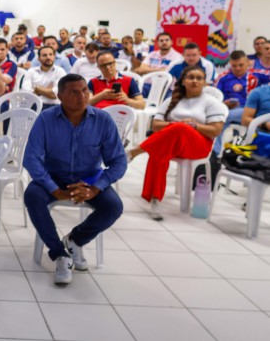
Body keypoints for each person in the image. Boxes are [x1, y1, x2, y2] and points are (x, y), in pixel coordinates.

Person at [23, 74, 125, 285]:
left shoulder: (102, 120)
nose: (82, 96)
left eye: (85, 90)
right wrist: (54, 189)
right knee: (32, 196)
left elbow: (118, 162)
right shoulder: (45, 119)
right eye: (74, 92)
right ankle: (60, 254)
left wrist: (96, 188)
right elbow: (31, 159)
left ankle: (75, 240)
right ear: (60, 96)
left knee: (113, 206)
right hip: (54, 177)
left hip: (89, 180)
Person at [126, 65, 227, 220]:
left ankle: (135, 152)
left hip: (198, 146)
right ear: (183, 81)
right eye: (191, 77)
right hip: (174, 144)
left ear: (205, 83)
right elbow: (155, 126)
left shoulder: (212, 103)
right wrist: (178, 125)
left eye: (199, 78)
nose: (195, 81)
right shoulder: (172, 99)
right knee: (160, 151)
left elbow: (215, 131)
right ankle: (155, 200)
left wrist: (192, 126)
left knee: (179, 128)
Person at [212, 50, 268, 155]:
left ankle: (216, 152)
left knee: (221, 118)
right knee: (219, 117)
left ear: (248, 62)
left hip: (251, 111)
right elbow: (214, 98)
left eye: (241, 65)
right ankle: (217, 151)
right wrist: (224, 103)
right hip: (228, 109)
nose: (237, 68)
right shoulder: (223, 77)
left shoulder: (257, 75)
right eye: (234, 66)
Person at [23, 46, 67, 110]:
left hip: (54, 106)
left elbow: (55, 94)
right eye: (44, 55)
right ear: (38, 58)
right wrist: (47, 90)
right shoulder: (31, 72)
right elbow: (27, 93)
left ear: (54, 57)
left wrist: (37, 88)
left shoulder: (60, 71)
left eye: (50, 54)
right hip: (34, 106)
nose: (48, 57)